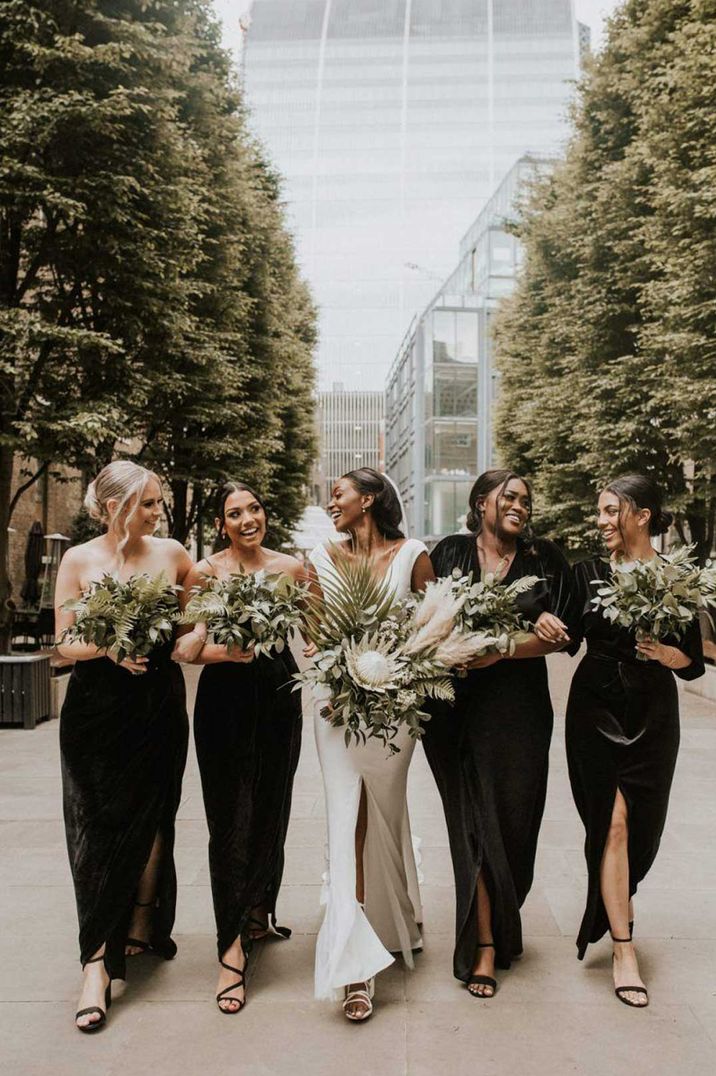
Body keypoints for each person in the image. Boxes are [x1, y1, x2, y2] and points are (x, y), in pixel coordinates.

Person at [55, 461, 198, 1033]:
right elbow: (63, 640)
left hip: (158, 706)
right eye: (148, 504)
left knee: (155, 816)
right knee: (94, 824)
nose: (157, 512)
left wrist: (197, 638)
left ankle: (141, 924)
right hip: (95, 710)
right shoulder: (78, 560)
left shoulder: (174, 555)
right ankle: (95, 963)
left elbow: (195, 619)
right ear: (114, 505)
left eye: (159, 503)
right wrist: (109, 647)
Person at [423, 469, 577, 998]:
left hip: (519, 712)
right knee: (472, 825)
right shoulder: (449, 553)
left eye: (525, 500)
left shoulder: (545, 559)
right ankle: (483, 945)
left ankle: (503, 923)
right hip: (452, 710)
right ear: (481, 503)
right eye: (509, 497)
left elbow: (563, 635)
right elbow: (422, 620)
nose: (520, 506)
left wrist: (513, 644)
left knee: (512, 824)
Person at [566, 474, 704, 1007]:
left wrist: (671, 655)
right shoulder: (585, 573)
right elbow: (565, 634)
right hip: (595, 704)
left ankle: (619, 901)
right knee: (612, 822)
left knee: (643, 828)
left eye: (609, 511)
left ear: (641, 514)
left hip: (653, 708)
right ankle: (624, 949)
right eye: (598, 512)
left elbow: (692, 660)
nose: (600, 521)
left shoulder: (676, 577)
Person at [309, 468, 434, 1021]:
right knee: (347, 819)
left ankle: (395, 917)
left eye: (338, 493)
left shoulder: (413, 555)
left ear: (371, 499)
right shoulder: (320, 558)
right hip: (335, 709)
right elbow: (312, 635)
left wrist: (395, 680)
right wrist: (336, 682)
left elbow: (433, 632)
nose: (331, 502)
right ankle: (355, 967)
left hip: (394, 711)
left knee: (383, 814)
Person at [177, 482, 305, 1014]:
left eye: (255, 508)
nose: (248, 518)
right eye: (235, 513)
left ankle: (258, 911)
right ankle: (230, 948)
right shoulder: (204, 572)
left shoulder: (292, 568)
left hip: (279, 695)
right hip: (224, 702)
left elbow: (315, 633)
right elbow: (185, 648)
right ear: (222, 524)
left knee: (272, 811)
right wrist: (227, 653)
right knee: (228, 820)